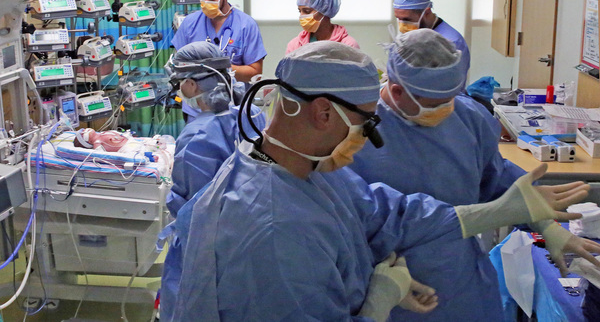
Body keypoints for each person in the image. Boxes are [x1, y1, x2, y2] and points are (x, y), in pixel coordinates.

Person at [171, 41, 598, 321]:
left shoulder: (306, 170)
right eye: (366, 124)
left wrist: (496, 212)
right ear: (323, 113)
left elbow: (388, 212)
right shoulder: (274, 228)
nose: (367, 137)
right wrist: (375, 305)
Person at [349, 28, 528, 321]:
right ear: (397, 91)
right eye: (434, 104)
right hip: (389, 282)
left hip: (459, 278)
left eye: (450, 98)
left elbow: (493, 177)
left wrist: (541, 217)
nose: (446, 110)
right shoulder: (355, 132)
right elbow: (354, 214)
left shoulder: (467, 117)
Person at [159, 41, 266, 321]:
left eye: (180, 82)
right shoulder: (253, 115)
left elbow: (190, 210)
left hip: (208, 246)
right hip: (252, 236)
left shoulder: (198, 136)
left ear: (192, 84)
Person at [171, 0, 268, 122]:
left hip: (234, 110)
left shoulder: (245, 25)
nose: (206, 2)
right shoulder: (190, 24)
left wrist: (219, 68)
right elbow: (179, 66)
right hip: (197, 111)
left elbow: (255, 73)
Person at [393, 0, 470, 77]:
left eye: (407, 19)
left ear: (427, 12)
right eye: (398, 18)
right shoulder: (415, 37)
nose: (402, 25)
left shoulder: (452, 42)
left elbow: (449, 82)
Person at [286, 0, 359, 54]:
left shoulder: (348, 46)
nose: (301, 16)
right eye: (300, 11)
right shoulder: (295, 46)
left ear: (324, 9)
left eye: (307, 11)